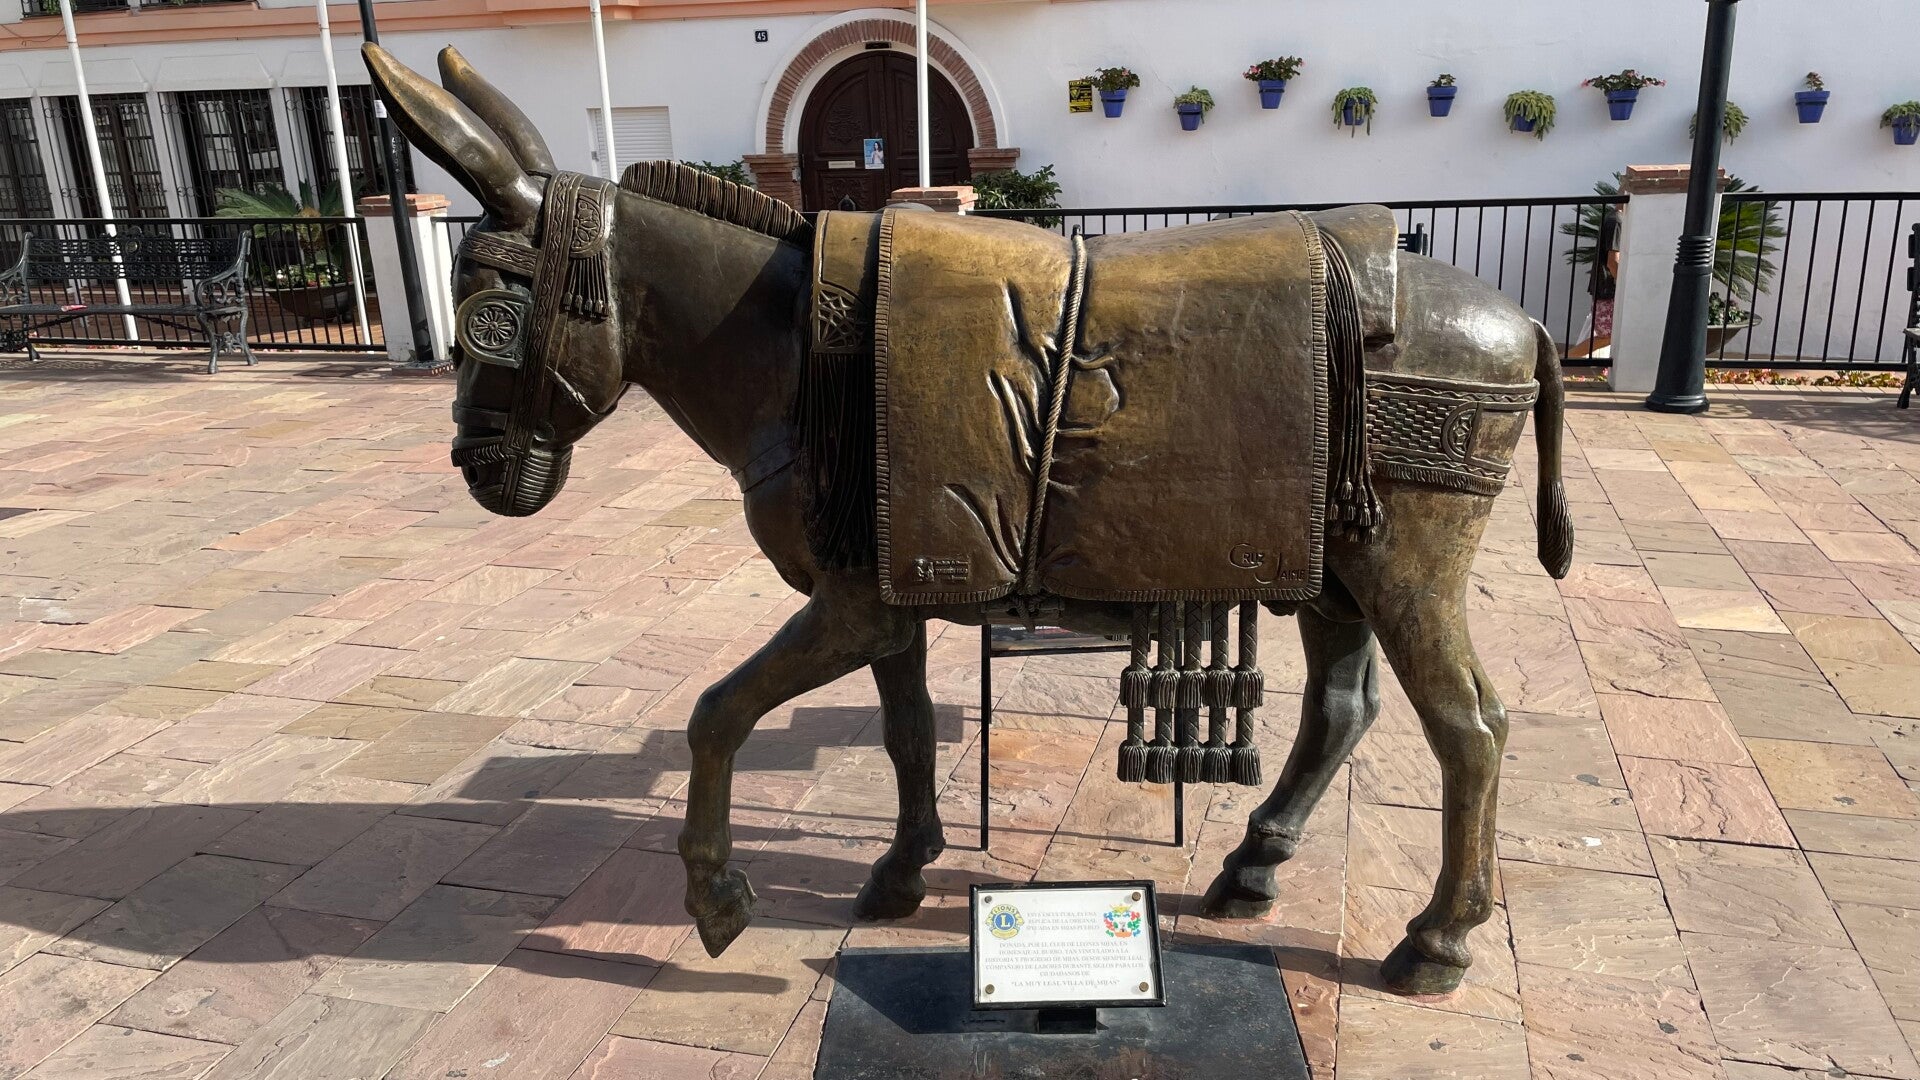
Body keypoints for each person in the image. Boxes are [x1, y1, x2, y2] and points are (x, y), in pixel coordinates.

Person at [1568, 205, 1621, 361]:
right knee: (1608, 335)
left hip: (1605, 287)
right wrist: (1626, 286)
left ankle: (1561, 360)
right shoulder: (1617, 221)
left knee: (1608, 334)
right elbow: (1613, 262)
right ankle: (1559, 360)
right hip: (1608, 288)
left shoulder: (1613, 218)